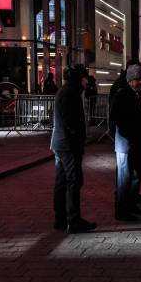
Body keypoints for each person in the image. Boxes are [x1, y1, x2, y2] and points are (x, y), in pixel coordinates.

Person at [50, 64, 97, 234]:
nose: (86, 81)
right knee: (73, 180)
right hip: (68, 145)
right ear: (79, 78)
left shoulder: (68, 91)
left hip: (62, 143)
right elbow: (70, 119)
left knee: (62, 181)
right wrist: (77, 135)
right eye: (85, 78)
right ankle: (73, 219)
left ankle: (61, 219)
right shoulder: (69, 93)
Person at [110, 64, 141, 221]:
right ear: (129, 80)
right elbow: (116, 117)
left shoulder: (139, 95)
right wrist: (128, 135)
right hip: (127, 144)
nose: (139, 82)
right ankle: (122, 210)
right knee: (125, 178)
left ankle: (131, 204)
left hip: (137, 143)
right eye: (136, 79)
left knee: (135, 175)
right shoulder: (123, 95)